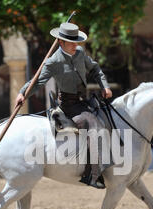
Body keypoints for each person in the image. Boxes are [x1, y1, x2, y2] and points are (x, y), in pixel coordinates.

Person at [16, 22, 112, 189]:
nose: (76, 45)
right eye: (72, 42)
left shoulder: (80, 53)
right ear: (61, 43)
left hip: (85, 101)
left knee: (110, 119)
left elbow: (95, 69)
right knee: (94, 127)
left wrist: (105, 86)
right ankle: (92, 175)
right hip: (69, 105)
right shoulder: (53, 62)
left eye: (77, 42)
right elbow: (37, 82)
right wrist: (22, 93)